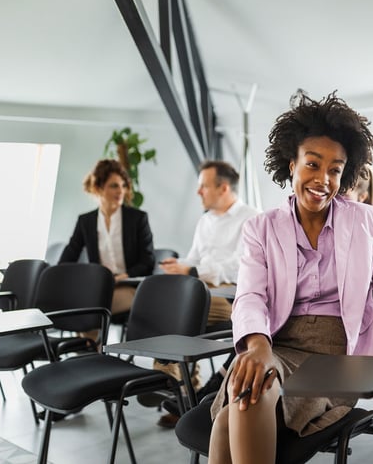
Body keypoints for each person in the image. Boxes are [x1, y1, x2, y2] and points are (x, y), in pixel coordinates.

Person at [206, 91, 373, 464]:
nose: (323, 179)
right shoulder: (261, 227)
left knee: (231, 418)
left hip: (340, 352)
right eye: (313, 164)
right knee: (251, 385)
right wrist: (257, 345)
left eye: (335, 169)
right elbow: (250, 295)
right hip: (278, 342)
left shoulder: (366, 220)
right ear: (292, 164)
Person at [154, 160, 258, 428]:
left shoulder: (252, 219)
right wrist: (180, 267)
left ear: (223, 187)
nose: (198, 192)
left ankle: (169, 381)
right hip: (201, 290)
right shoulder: (205, 221)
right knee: (172, 300)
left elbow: (240, 266)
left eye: (203, 186)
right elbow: (193, 258)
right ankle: (183, 393)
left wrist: (194, 270)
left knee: (184, 306)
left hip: (232, 296)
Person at [59, 158, 155, 329]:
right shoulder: (86, 221)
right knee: (77, 303)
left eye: (123, 186)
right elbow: (68, 257)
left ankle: (90, 350)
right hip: (98, 288)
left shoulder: (137, 219)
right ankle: (88, 350)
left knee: (90, 308)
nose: (121, 191)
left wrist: (122, 277)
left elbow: (148, 261)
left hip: (130, 287)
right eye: (114, 186)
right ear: (98, 188)